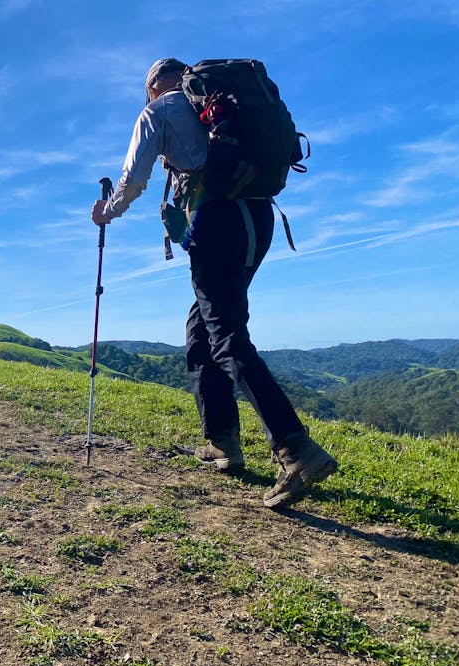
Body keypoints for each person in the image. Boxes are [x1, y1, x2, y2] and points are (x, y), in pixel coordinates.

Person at [90, 57, 337, 510]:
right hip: (257, 216)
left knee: (223, 332)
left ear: (151, 86)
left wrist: (107, 211)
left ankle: (295, 448)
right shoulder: (219, 103)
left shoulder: (159, 110)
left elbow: (134, 177)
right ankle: (223, 443)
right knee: (202, 328)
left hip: (218, 219)